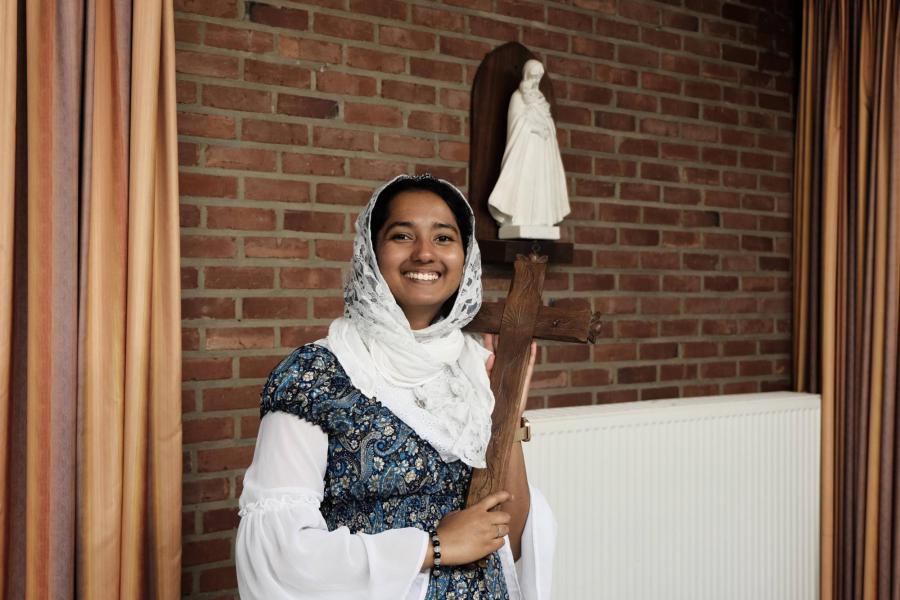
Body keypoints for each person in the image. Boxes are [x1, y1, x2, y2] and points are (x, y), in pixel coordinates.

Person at [235, 174, 556, 599]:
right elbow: (278, 551)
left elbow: (507, 540)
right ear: (371, 251)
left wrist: (505, 409)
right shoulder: (314, 375)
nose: (425, 253)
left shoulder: (472, 367)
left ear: (465, 256)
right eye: (402, 235)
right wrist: (434, 547)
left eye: (444, 238)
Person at [488, 59, 570, 239]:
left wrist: (546, 129)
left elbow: (548, 122)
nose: (536, 80)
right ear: (526, 75)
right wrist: (533, 128)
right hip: (525, 149)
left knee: (540, 183)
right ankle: (518, 216)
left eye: (539, 77)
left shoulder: (541, 100)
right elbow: (516, 123)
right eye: (533, 76)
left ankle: (540, 218)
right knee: (523, 182)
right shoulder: (518, 97)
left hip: (541, 150)